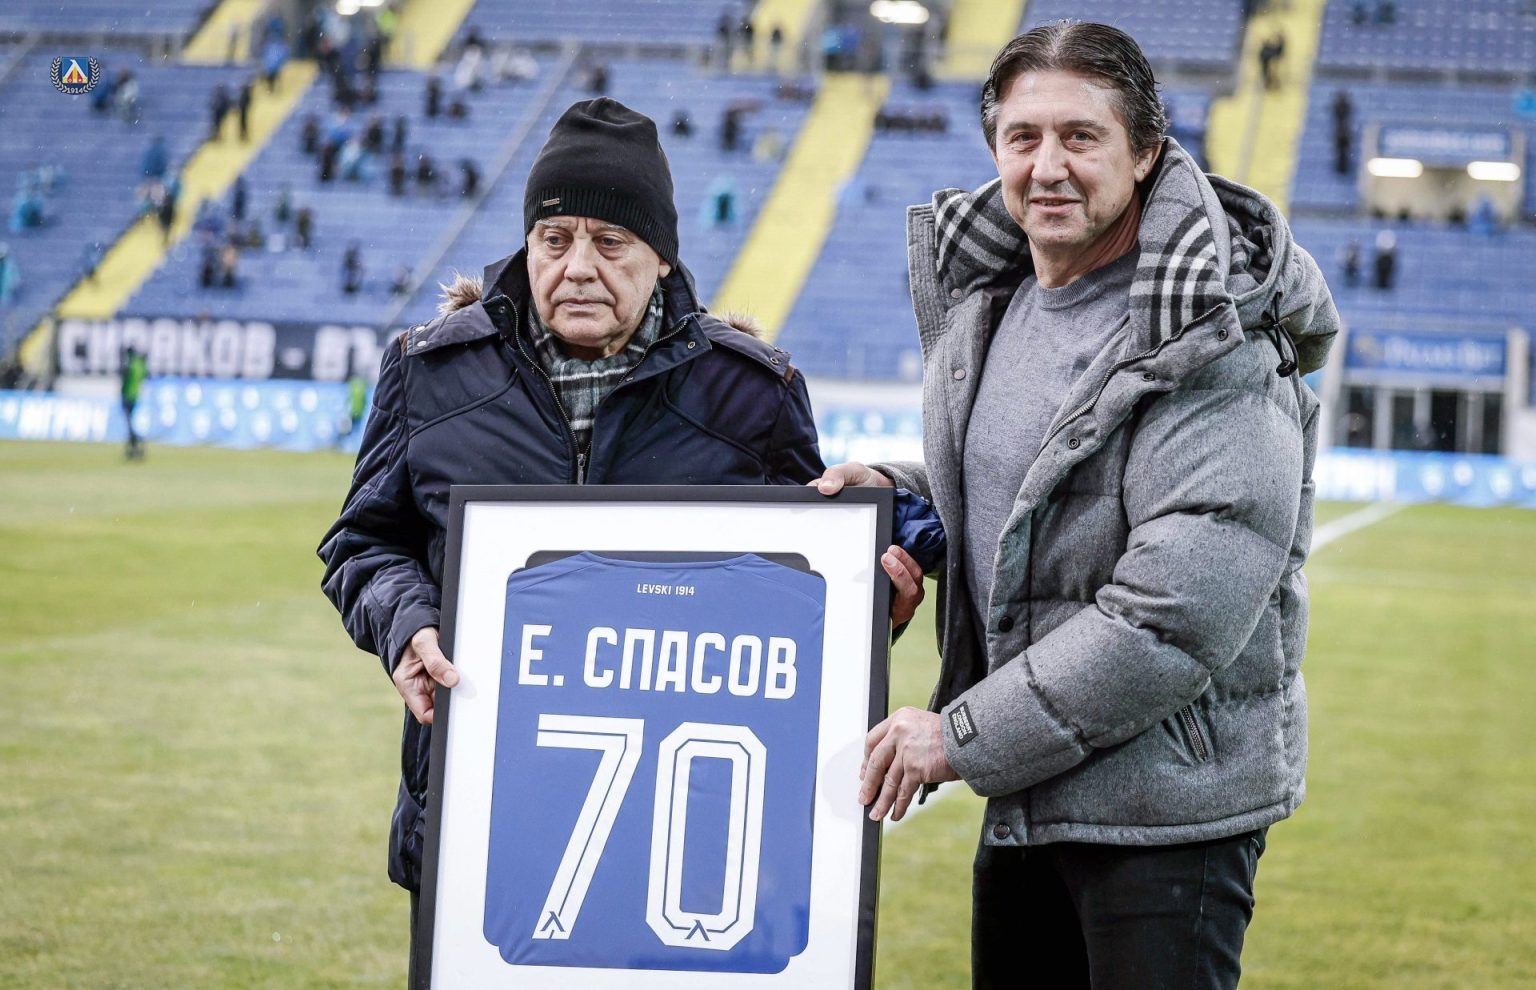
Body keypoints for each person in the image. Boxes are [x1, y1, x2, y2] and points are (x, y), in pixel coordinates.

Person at [815, 22, 1340, 988]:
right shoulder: (996, 299)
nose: (1047, 166)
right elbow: (1031, 485)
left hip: (1164, 817)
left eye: (1080, 136)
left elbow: (1169, 620)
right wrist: (900, 496)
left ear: (1145, 153)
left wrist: (959, 737)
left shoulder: (1210, 333)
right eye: (1023, 137)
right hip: (1030, 793)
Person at [317, 97, 825, 984]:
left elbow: (808, 594)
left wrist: (879, 597)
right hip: (477, 820)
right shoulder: (429, 372)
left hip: (679, 840)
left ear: (661, 254)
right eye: (554, 240)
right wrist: (406, 625)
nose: (577, 267)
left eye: (610, 242)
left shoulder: (753, 395)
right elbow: (362, 542)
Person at [120, 344, 148, 460]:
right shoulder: (140, 365)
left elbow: (124, 378)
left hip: (127, 397)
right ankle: (134, 446)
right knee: (130, 423)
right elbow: (145, 375)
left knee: (129, 425)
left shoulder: (130, 365)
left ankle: (137, 443)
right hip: (136, 396)